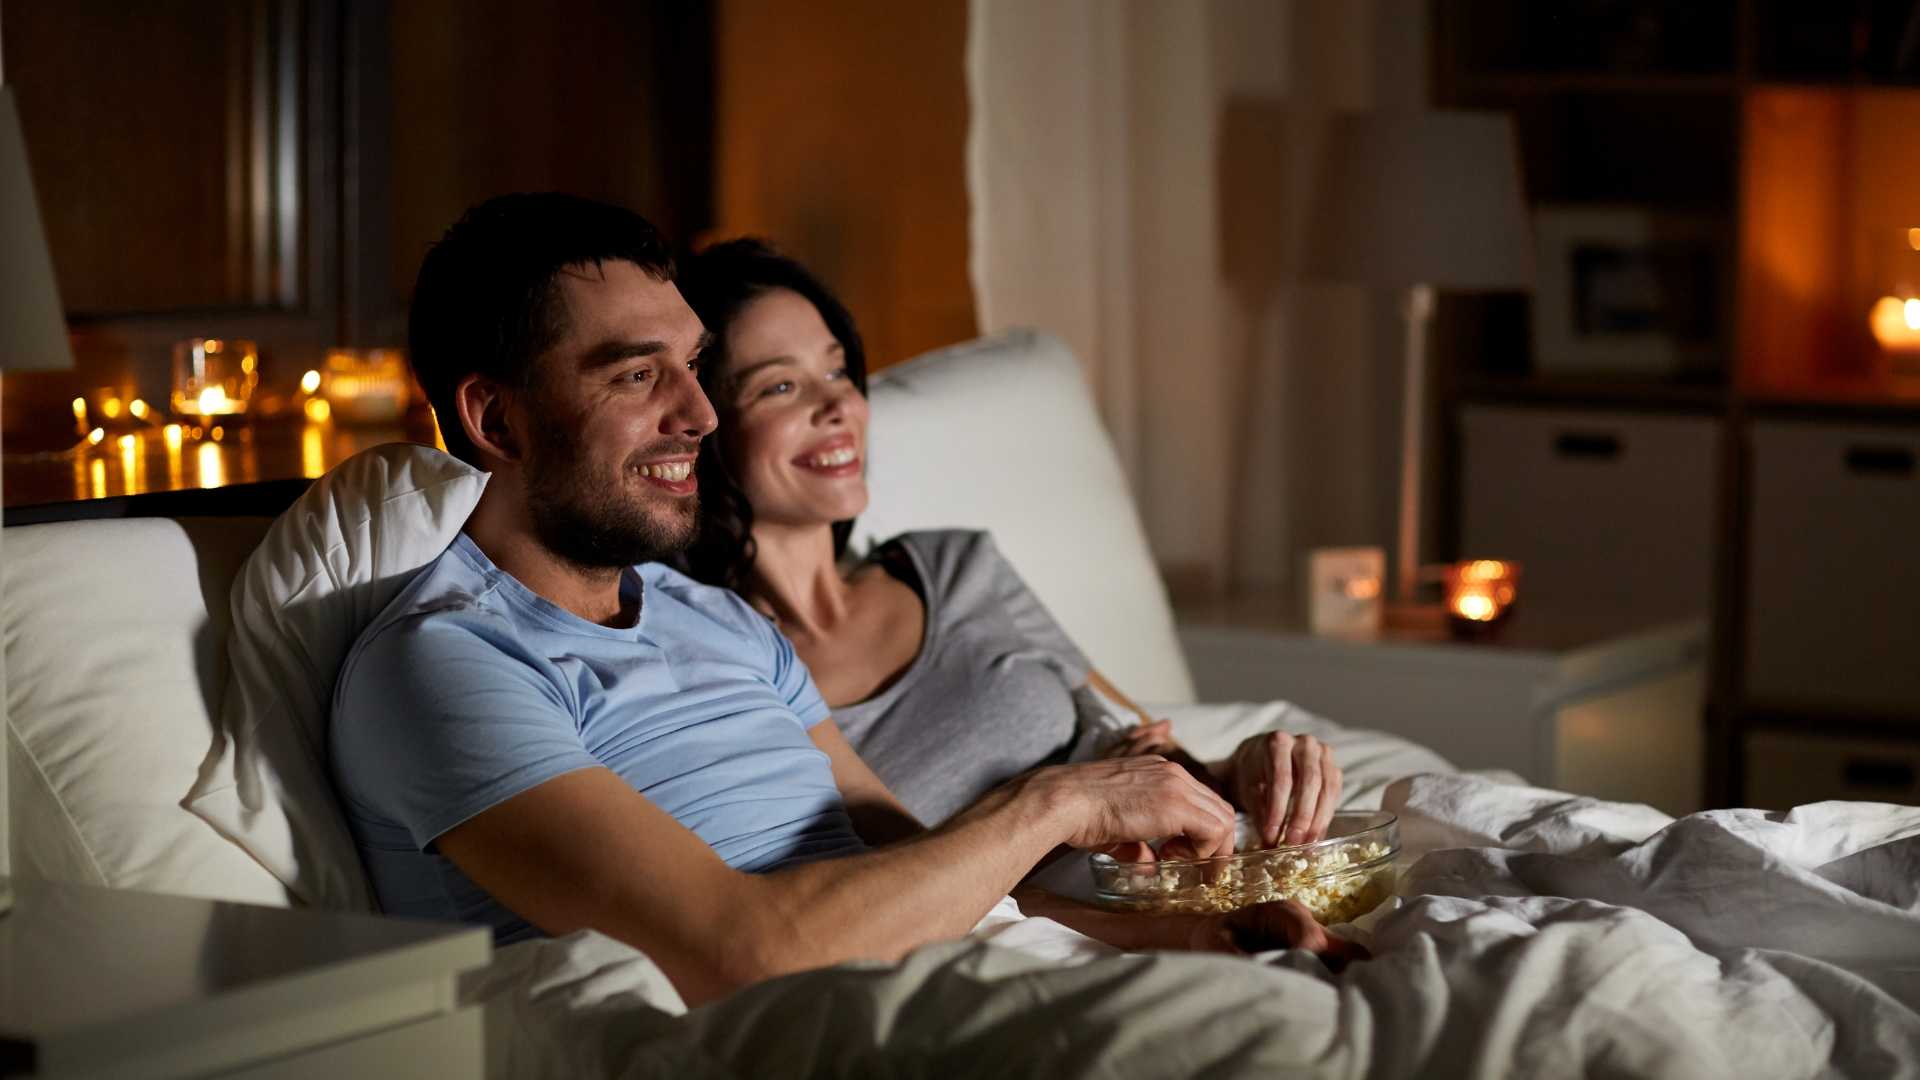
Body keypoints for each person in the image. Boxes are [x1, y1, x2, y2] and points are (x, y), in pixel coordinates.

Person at [328, 194, 1360, 1010]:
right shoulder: (445, 662)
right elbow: (744, 952)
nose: (695, 414)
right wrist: (1061, 798)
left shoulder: (717, 623)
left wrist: (1192, 935)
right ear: (494, 420)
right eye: (638, 376)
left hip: (956, 980)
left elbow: (934, 875)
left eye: (692, 369)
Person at [673, 238, 1344, 857]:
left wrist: (1252, 769)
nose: (837, 406)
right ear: (701, 429)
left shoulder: (954, 564)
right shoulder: (726, 667)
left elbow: (1144, 745)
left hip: (1161, 879)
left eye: (839, 371)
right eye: (780, 386)